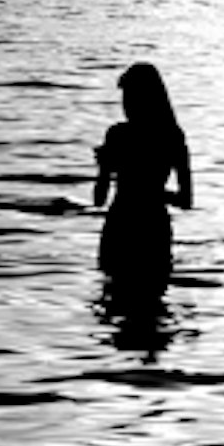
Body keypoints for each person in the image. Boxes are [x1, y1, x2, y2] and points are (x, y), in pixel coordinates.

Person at [92, 57, 193, 293]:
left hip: (130, 226)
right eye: (125, 98)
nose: (126, 105)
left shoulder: (121, 135)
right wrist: (105, 168)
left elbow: (99, 199)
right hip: (144, 226)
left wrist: (141, 189)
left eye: (131, 97)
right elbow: (185, 201)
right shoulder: (171, 136)